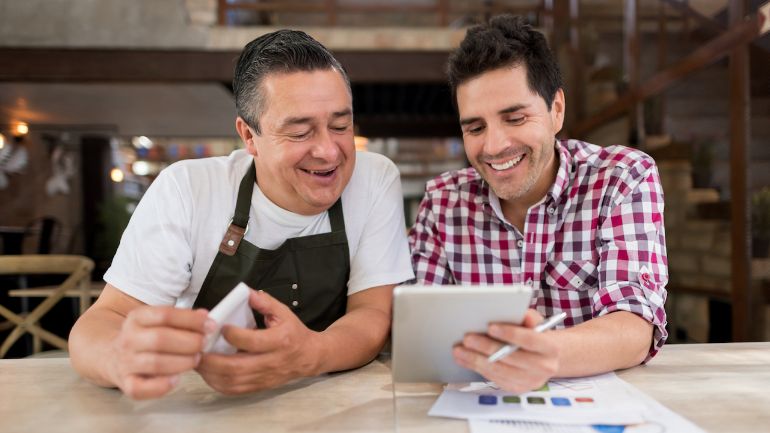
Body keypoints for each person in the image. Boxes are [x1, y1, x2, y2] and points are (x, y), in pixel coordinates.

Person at [70, 30, 414, 400]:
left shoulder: (374, 179)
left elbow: (372, 315)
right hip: (208, 404)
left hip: (335, 403)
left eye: (340, 126)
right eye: (300, 132)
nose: (329, 152)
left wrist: (308, 356)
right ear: (249, 136)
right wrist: (119, 358)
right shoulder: (187, 190)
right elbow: (104, 321)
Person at [408, 15, 667, 393]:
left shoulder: (622, 178)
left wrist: (547, 356)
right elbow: (420, 338)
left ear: (556, 110)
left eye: (515, 118)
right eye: (475, 128)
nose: (494, 146)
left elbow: (634, 325)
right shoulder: (442, 203)